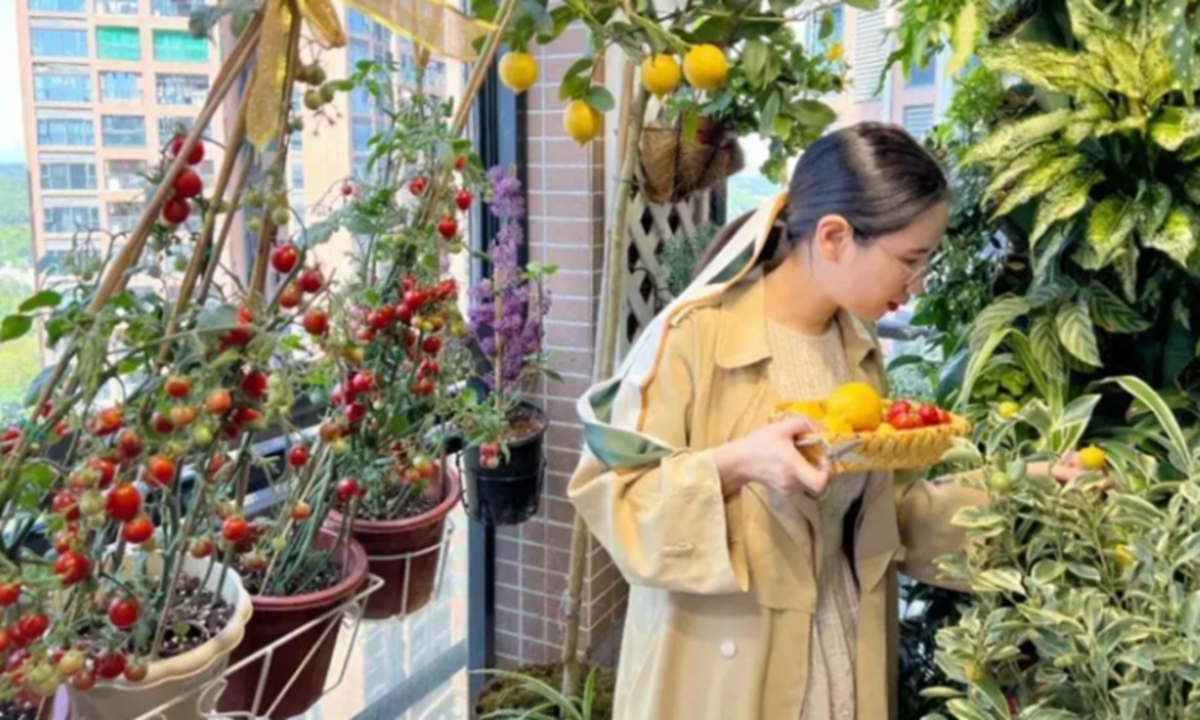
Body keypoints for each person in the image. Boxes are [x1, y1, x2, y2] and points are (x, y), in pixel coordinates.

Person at [566, 123, 1081, 720]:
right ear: (834, 236)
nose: (916, 286)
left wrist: (1023, 492)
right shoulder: (694, 338)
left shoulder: (857, 350)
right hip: (726, 682)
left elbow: (889, 513)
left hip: (841, 658)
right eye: (909, 261)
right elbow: (616, 500)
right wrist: (736, 465)